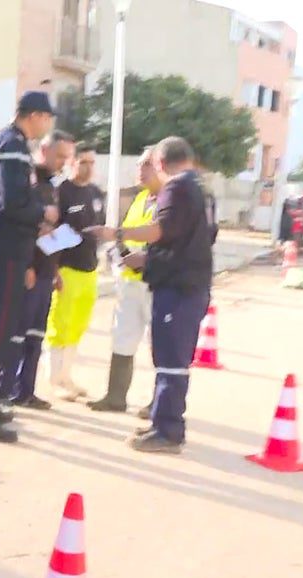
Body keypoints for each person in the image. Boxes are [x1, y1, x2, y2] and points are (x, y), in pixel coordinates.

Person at [88, 137, 214, 453]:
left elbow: (162, 230)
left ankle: (168, 431)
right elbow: (193, 239)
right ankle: (162, 422)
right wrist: (149, 257)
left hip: (178, 287)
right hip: (187, 283)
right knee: (170, 359)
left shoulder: (177, 188)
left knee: (171, 360)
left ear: (160, 163)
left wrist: (117, 233)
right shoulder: (203, 190)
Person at [0, 91, 58, 442]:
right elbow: (13, 202)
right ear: (34, 115)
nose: (48, 125)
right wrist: (43, 212)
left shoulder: (11, 144)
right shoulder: (12, 146)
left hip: (7, 248)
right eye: (47, 118)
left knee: (2, 327)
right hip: (3, 248)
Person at [0, 130, 74, 410]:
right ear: (44, 151)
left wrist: (55, 271)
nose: (63, 162)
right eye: (59, 156)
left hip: (45, 272)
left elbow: (50, 230)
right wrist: (27, 265)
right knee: (18, 335)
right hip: (28, 270)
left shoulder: (53, 186)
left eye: (67, 157)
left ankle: (26, 391)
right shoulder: (29, 183)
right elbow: (23, 228)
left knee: (35, 336)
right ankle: (6, 390)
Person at [88, 147, 162, 414]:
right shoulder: (140, 198)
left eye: (147, 165)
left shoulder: (170, 201)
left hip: (156, 283)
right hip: (129, 281)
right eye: (140, 165)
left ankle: (159, 403)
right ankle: (115, 397)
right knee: (122, 338)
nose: (140, 171)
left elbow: (166, 239)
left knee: (161, 344)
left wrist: (146, 259)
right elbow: (126, 235)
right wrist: (119, 251)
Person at [45, 143, 104, 401]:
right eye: (83, 162)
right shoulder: (61, 192)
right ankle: (54, 379)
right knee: (60, 324)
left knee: (78, 325)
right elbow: (49, 234)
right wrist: (54, 271)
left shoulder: (96, 192)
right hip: (66, 269)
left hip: (90, 269)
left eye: (92, 162)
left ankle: (67, 376)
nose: (88, 168)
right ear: (72, 163)